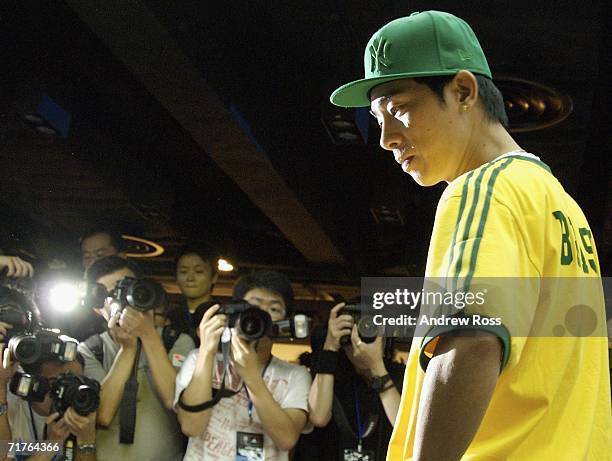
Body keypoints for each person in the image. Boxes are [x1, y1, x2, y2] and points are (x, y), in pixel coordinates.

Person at [330, 10, 610, 460]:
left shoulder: (484, 189)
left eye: (399, 109)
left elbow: (474, 343)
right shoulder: (561, 206)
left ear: (463, 91)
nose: (386, 138)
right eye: (378, 118)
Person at [175, 270, 311, 461]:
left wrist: (252, 376)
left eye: (274, 309)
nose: (262, 316)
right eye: (253, 307)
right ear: (234, 312)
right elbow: (190, 426)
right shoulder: (199, 359)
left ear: (285, 320)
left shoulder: (296, 375)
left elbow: (287, 439)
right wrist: (207, 351)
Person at [78, 256, 194, 461]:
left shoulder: (176, 341)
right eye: (111, 294)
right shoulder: (91, 349)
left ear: (143, 290)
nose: (120, 299)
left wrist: (148, 335)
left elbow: (175, 400)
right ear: (97, 306)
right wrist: (128, 349)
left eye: (125, 288)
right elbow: (102, 415)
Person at [295, 303, 404, 461]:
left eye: (367, 332)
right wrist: (330, 345)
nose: (357, 342)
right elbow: (318, 417)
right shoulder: (333, 374)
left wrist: (377, 367)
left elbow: (404, 427)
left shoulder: (401, 375)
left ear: (383, 337)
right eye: (351, 336)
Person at [0, 345, 98, 460]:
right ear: (31, 383)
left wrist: (86, 441)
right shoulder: (10, 408)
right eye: (58, 383)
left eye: (75, 382)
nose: (68, 390)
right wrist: (51, 445)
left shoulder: (83, 408)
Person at [174, 243, 219, 343]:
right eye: (183, 272)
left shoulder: (221, 317)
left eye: (198, 271)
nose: (190, 278)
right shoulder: (169, 317)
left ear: (214, 277)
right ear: (176, 278)